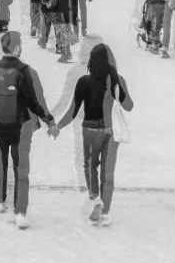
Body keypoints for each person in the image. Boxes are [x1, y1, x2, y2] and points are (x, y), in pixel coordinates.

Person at [0, 31, 56, 229]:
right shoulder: (25, 71)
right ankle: (20, 212)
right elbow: (34, 102)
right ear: (17, 48)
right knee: (21, 168)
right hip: (20, 127)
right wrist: (49, 121)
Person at [49, 43, 133, 226]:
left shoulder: (83, 82)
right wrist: (116, 88)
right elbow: (129, 106)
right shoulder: (117, 80)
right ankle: (105, 213)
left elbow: (72, 111)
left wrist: (57, 126)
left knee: (90, 166)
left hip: (90, 130)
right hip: (111, 131)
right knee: (107, 173)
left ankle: (95, 198)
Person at [47, 0, 82, 64]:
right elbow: (75, 1)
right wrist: (75, 15)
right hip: (69, 11)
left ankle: (64, 55)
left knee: (62, 34)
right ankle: (68, 52)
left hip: (59, 11)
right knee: (66, 31)